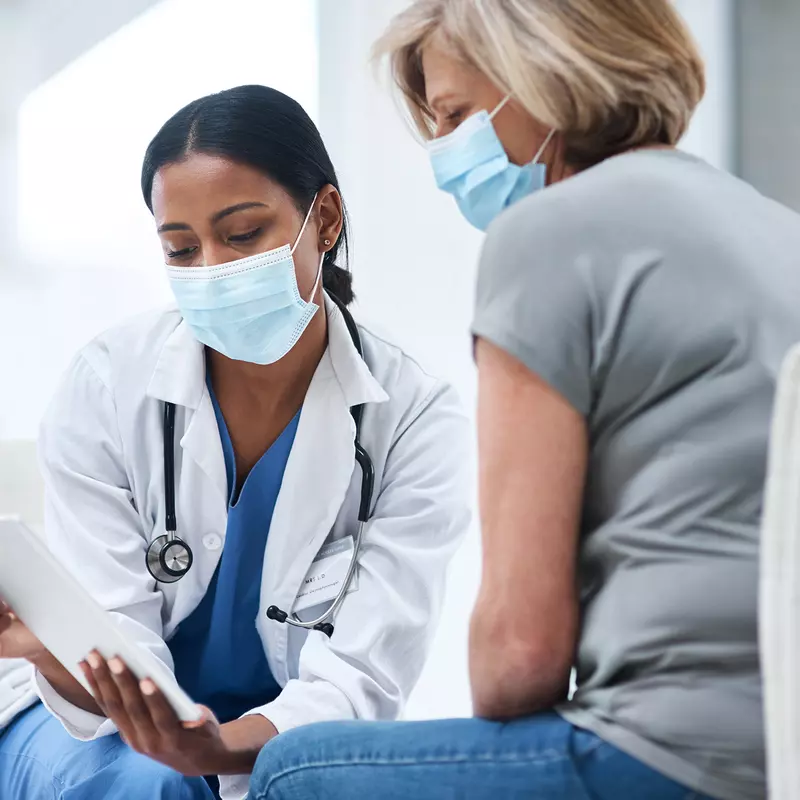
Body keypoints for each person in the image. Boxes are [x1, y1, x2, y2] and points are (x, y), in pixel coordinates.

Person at [247, 2, 800, 799]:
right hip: (779, 751)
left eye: (456, 115)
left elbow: (518, 659)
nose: (443, 155)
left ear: (546, 72)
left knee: (292, 769)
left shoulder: (547, 233)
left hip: (672, 757)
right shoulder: (775, 228)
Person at [0, 84, 471, 800]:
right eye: (181, 248)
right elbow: (111, 653)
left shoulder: (412, 419)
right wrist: (180, 743)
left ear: (327, 218)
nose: (213, 269)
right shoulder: (107, 387)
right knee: (152, 787)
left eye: (243, 234)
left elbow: (361, 677)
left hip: (275, 735)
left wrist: (220, 748)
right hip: (87, 727)